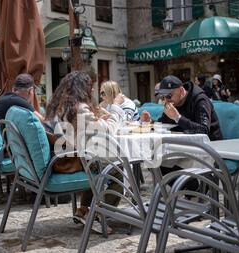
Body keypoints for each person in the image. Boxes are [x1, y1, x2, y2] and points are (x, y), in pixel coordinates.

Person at [45, 71, 125, 233]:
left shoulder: (61, 106)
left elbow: (87, 129)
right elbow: (109, 130)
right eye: (90, 86)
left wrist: (99, 120)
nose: (94, 90)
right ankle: (96, 215)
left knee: (98, 160)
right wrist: (115, 110)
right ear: (81, 88)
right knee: (117, 168)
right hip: (75, 159)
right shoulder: (79, 109)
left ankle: (83, 210)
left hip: (67, 155)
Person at [141, 75, 223, 142]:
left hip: (211, 147)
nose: (166, 100)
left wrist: (178, 118)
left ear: (181, 90)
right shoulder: (173, 102)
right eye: (163, 97)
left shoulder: (200, 100)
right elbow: (164, 123)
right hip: (187, 146)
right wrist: (149, 123)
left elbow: (204, 130)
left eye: (169, 96)